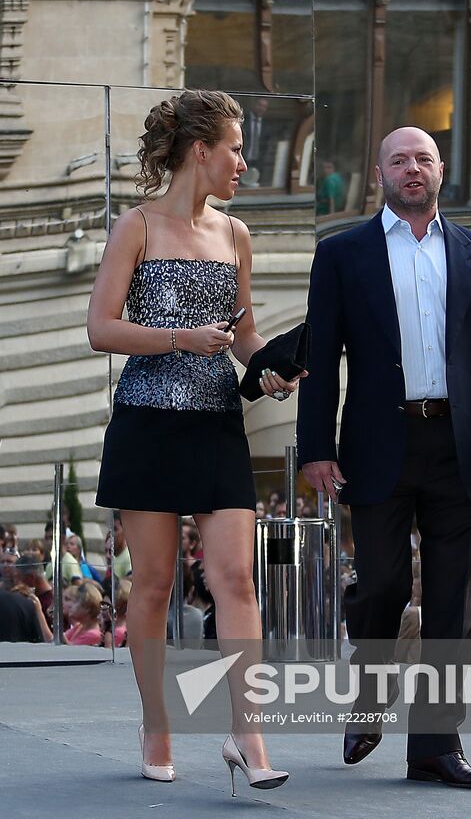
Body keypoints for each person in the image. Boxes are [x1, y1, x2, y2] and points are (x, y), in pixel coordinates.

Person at [297, 125, 471, 790]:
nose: (411, 169)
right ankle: (369, 701)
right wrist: (315, 449)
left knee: (453, 606)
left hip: (457, 446)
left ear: (439, 172)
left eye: (422, 159)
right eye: (399, 160)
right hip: (376, 445)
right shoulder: (342, 254)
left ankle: (434, 746)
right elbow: (321, 359)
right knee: (380, 587)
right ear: (380, 174)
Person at [88, 89, 302, 791]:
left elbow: (242, 338)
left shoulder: (236, 234)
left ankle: (250, 736)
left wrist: (268, 369)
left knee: (236, 579)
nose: (243, 162)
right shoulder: (137, 226)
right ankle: (157, 725)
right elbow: (102, 329)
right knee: (150, 587)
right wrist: (179, 337)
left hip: (216, 425)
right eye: (235, 149)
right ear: (200, 151)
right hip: (147, 424)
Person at [63, 582, 103, 646]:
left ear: (87, 607)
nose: (71, 606)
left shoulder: (93, 635)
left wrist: (40, 612)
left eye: (75, 602)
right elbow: (53, 640)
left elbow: (68, 650)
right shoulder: (79, 627)